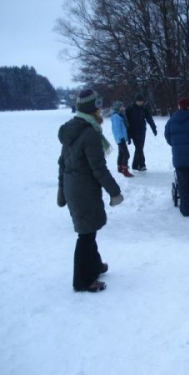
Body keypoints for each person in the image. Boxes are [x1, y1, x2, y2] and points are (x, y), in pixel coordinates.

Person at [57, 89, 124, 292]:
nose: (101, 109)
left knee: (89, 230)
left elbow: (62, 162)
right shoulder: (89, 134)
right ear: (91, 109)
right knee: (86, 235)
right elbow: (99, 169)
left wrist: (62, 189)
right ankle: (83, 281)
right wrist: (115, 192)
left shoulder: (74, 129)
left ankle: (95, 265)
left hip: (74, 187)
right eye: (98, 106)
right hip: (83, 189)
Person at [126, 93, 158, 171]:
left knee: (139, 148)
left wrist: (154, 128)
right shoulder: (130, 109)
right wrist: (128, 134)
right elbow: (126, 122)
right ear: (135, 101)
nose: (140, 103)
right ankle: (142, 164)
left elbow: (149, 119)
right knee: (139, 148)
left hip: (142, 131)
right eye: (138, 101)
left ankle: (135, 165)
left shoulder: (144, 109)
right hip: (133, 131)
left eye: (141, 101)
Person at [110, 101, 134, 177]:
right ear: (117, 107)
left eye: (123, 106)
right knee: (126, 154)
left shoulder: (119, 115)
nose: (123, 108)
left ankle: (120, 167)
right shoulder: (116, 117)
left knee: (121, 153)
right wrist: (121, 138)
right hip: (120, 138)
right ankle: (125, 170)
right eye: (121, 107)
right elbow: (117, 129)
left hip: (120, 138)